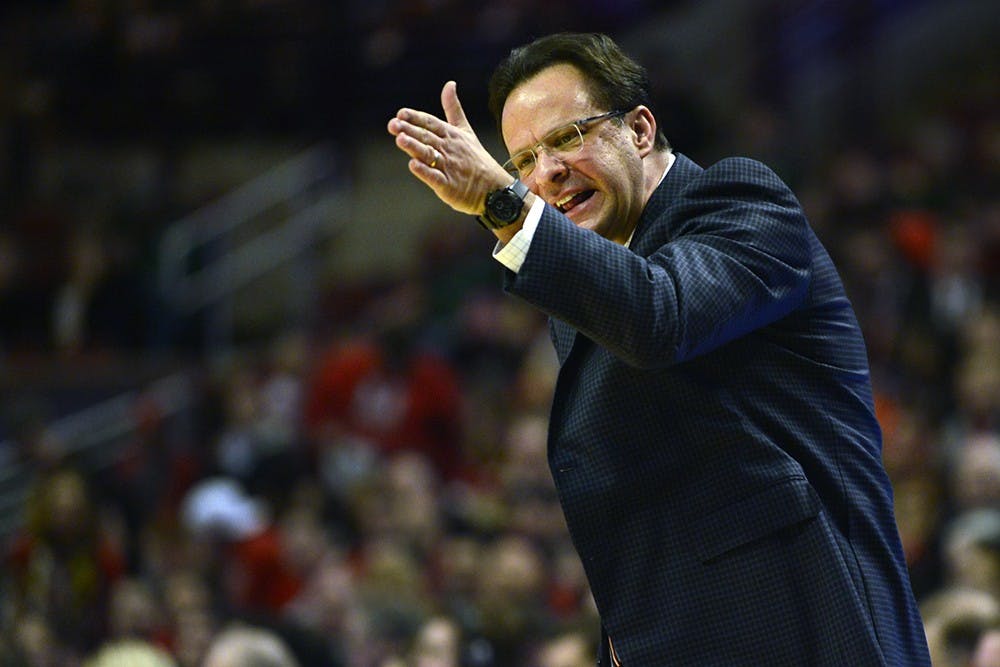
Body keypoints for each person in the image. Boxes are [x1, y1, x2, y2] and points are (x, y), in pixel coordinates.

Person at [387, 32, 931, 665]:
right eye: (522, 162)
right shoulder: (587, 286)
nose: (546, 174)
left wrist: (499, 203)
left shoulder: (741, 201)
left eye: (566, 138)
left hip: (813, 631)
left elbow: (660, 316)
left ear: (640, 129)